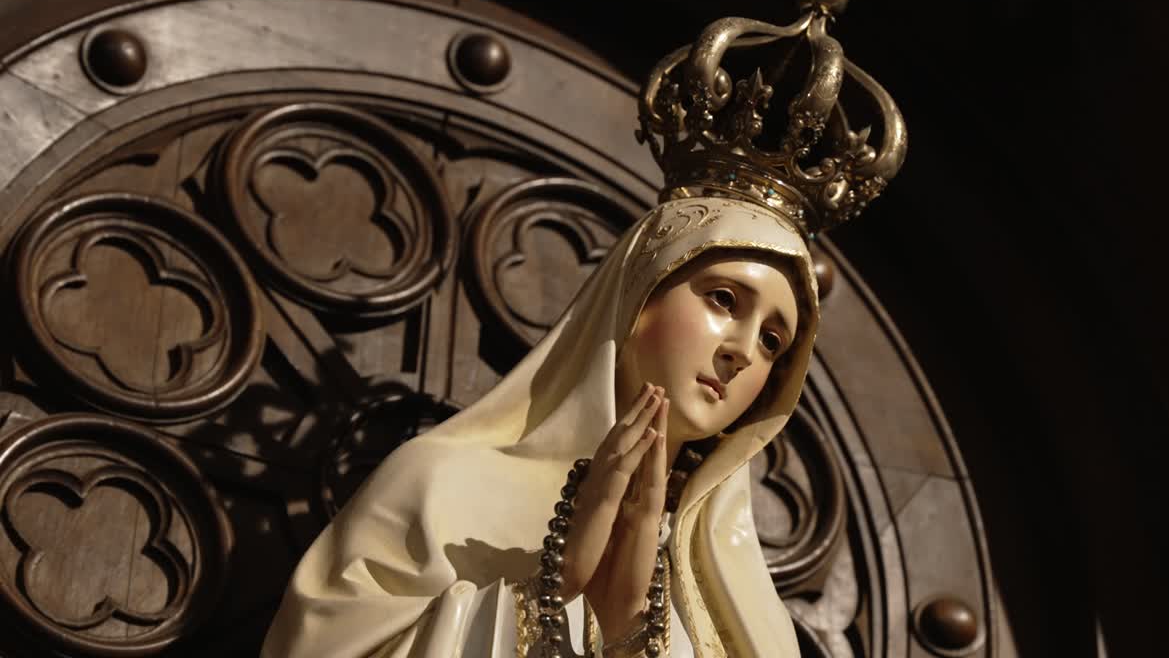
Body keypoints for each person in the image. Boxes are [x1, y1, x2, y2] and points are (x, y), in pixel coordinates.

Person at [260, 195, 820, 658]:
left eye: (773, 342)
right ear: (638, 295)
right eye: (724, 300)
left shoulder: (746, 607)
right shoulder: (439, 485)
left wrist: (629, 629)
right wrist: (548, 589)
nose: (744, 351)